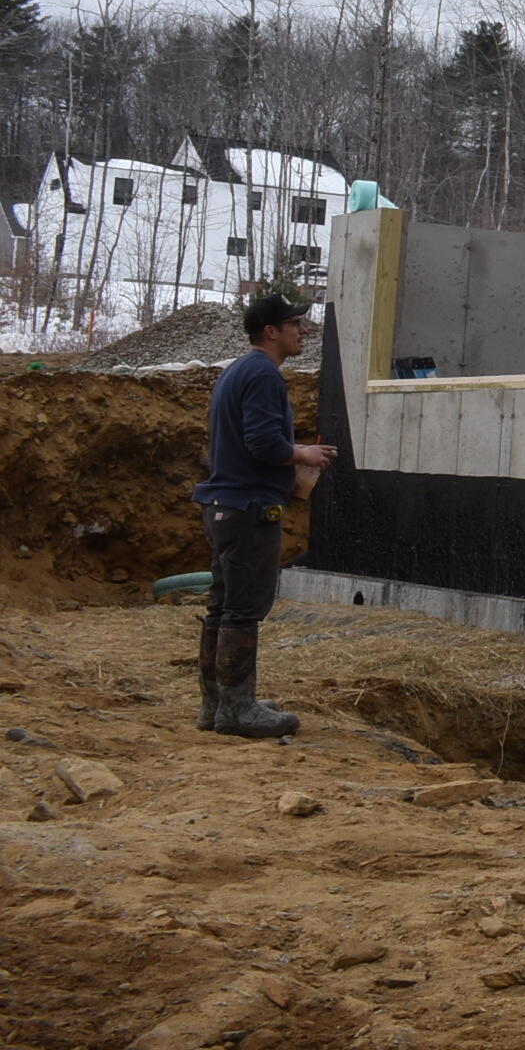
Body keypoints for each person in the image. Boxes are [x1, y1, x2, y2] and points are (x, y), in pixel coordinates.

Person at [192, 292, 338, 739]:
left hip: (224, 506)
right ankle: (237, 711)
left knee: (222, 607)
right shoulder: (263, 375)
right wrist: (304, 453)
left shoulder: (237, 370)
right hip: (248, 508)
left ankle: (219, 705)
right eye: (295, 323)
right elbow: (263, 444)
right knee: (243, 609)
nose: (303, 330)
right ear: (270, 331)